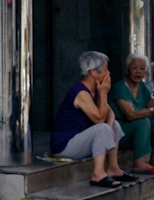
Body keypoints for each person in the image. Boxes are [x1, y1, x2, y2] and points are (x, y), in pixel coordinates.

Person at [50, 50, 134, 188]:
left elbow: (110, 114)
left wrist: (111, 130)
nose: (109, 74)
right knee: (102, 128)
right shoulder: (81, 92)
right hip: (65, 146)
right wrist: (104, 93)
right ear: (94, 72)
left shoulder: (95, 90)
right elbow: (99, 120)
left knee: (115, 126)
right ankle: (98, 174)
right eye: (106, 70)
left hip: (80, 141)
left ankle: (113, 168)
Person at [111, 54, 154, 175]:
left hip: (134, 134)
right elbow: (131, 114)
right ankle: (140, 164)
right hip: (119, 135)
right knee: (143, 122)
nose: (138, 72)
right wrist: (151, 110)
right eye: (134, 68)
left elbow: (151, 102)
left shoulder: (142, 87)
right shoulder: (120, 88)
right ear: (127, 69)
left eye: (142, 69)